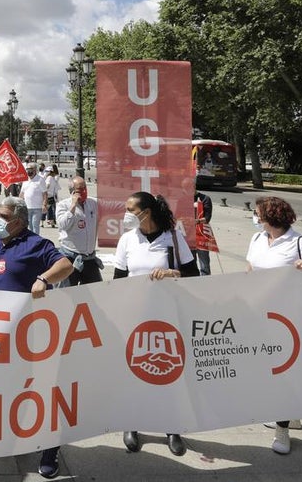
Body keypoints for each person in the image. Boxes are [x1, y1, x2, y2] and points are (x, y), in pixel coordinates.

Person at [0, 196, 73, 479]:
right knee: (5, 390)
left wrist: (43, 278)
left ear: (19, 221)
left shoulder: (37, 245)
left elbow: (66, 266)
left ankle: (50, 450)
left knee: (40, 391)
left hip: (30, 333)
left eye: (3, 216)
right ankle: (13, 437)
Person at [246, 195, 302, 456]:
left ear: (270, 216)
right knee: (266, 368)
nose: (254, 216)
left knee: (284, 370)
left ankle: (282, 429)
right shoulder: (257, 239)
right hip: (261, 313)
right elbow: (251, 269)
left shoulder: (300, 243)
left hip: (290, 318)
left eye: (257, 212)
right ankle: (289, 413)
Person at [114, 191, 198, 457]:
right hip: (135, 318)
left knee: (169, 373)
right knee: (134, 372)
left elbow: (194, 275)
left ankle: (172, 427)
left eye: (130, 209)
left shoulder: (173, 238)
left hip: (167, 318)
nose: (126, 214)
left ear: (146, 212)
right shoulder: (127, 239)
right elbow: (118, 279)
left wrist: (173, 273)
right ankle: (132, 423)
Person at [55, 176, 102, 285]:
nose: (84, 191)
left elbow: (110, 206)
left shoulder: (93, 203)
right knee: (68, 292)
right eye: (80, 189)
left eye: (85, 187)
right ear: (72, 192)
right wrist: (73, 206)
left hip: (89, 257)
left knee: (96, 290)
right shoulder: (63, 205)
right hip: (70, 258)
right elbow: (63, 225)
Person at [19, 164, 47, 232]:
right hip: (27, 207)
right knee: (29, 225)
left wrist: (44, 204)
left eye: (30, 169)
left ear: (35, 170)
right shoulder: (25, 180)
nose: (28, 171)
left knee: (35, 225)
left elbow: (45, 193)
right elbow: (22, 193)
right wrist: (18, 202)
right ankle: (32, 239)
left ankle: (36, 240)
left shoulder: (40, 180)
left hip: (37, 207)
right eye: (27, 169)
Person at [193, 191, 216, 276]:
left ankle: (205, 282)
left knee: (204, 264)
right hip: (188, 236)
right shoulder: (184, 199)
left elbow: (207, 218)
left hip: (201, 235)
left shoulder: (205, 199)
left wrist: (197, 221)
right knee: (191, 263)